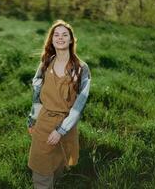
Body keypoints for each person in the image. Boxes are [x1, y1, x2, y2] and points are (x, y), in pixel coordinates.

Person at [27, 19, 91, 189]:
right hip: (45, 120)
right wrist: (33, 119)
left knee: (58, 165)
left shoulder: (81, 68)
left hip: (67, 124)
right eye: (56, 34)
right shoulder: (46, 63)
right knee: (41, 167)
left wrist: (61, 130)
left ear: (71, 40)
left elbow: (79, 104)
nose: (60, 38)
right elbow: (37, 95)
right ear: (51, 39)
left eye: (65, 35)